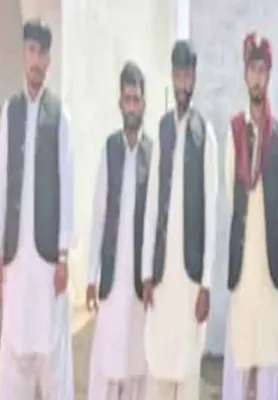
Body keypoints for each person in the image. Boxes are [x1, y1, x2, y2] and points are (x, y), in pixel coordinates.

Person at [0, 18, 74, 399]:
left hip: (47, 261)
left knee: (51, 354)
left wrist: (63, 255)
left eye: (43, 52)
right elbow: (1, 182)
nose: (37, 59)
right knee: (14, 351)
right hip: (15, 258)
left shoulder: (60, 116)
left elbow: (67, 187)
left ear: (49, 59)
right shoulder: (9, 111)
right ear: (23, 54)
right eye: (31, 50)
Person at [141, 40, 218, 400]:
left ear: (194, 78)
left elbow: (211, 212)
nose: (183, 83)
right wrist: (146, 271)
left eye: (188, 75)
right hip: (162, 272)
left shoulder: (206, 135)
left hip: (190, 276)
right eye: (178, 75)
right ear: (172, 78)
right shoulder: (162, 130)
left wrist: (206, 284)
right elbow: (152, 202)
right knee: (158, 364)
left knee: (187, 370)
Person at [221, 32, 278, 400]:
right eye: (252, 69)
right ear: (245, 74)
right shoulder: (234, 130)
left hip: (268, 266)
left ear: (269, 75)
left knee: (267, 363)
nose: (257, 77)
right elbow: (230, 194)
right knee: (237, 361)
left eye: (263, 70)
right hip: (242, 263)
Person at [86, 62, 153, 400]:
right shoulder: (110, 149)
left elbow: (155, 221)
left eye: (136, 99)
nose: (131, 106)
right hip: (112, 276)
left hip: (140, 281)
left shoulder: (152, 154)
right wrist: (91, 276)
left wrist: (152, 275)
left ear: (144, 104)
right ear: (119, 102)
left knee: (135, 366)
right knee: (108, 362)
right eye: (127, 99)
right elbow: (99, 214)